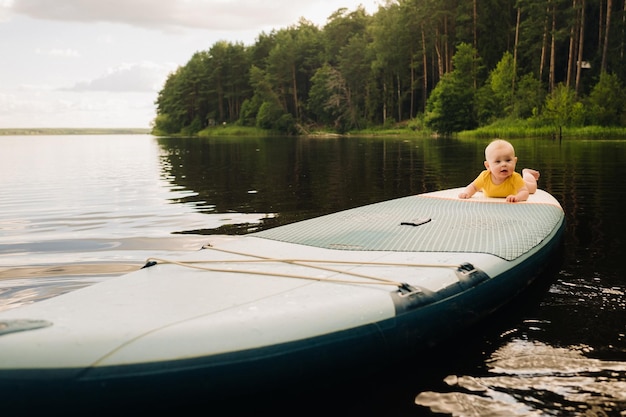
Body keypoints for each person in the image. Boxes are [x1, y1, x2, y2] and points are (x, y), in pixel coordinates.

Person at [458, 139, 540, 203]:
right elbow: (473, 187)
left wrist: (517, 197)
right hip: (490, 187)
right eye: (498, 162)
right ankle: (485, 188)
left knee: (532, 188)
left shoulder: (515, 178)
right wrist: (467, 193)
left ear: (515, 161)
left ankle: (526, 173)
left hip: (518, 186)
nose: (504, 164)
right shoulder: (484, 176)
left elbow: (524, 192)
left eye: (508, 160)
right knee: (479, 187)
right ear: (488, 166)